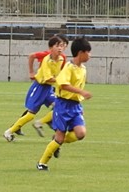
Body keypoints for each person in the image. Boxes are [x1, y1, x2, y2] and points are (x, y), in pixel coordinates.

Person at [36, 37, 92, 171]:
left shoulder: (83, 69)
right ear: (80, 53)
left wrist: (80, 102)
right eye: (88, 52)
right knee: (60, 137)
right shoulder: (68, 67)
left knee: (81, 133)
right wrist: (82, 92)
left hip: (75, 106)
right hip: (62, 105)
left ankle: (56, 141)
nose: (90, 55)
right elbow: (63, 84)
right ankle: (42, 163)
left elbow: (77, 87)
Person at [4, 34, 68, 142]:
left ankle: (40, 123)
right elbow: (48, 79)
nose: (61, 48)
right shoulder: (47, 60)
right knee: (30, 114)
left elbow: (59, 74)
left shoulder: (62, 58)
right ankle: (9, 131)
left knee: (60, 106)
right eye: (58, 45)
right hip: (40, 87)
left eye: (63, 45)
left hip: (48, 89)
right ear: (51, 47)